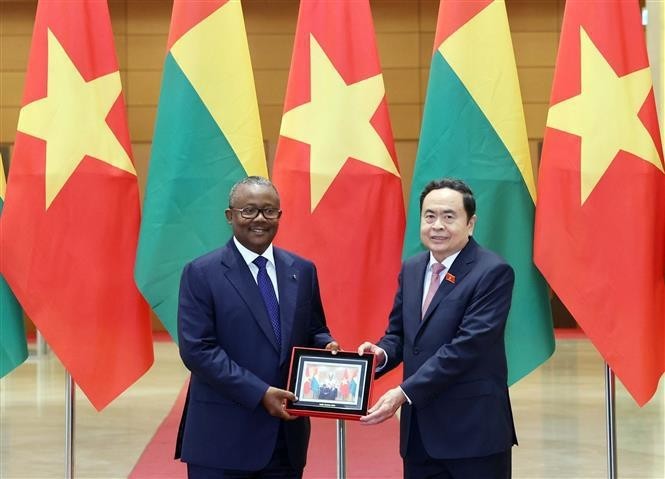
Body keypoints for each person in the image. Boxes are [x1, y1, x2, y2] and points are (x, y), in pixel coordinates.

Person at [176, 176, 339, 478]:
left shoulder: (301, 270)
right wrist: (260, 392)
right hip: (222, 438)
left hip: (285, 438)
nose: (260, 219)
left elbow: (314, 328)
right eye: (248, 211)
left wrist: (326, 347)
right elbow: (198, 350)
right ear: (230, 216)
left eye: (269, 211)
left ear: (280, 215)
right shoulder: (201, 273)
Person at [357, 178, 517, 479]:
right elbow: (400, 334)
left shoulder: (492, 272)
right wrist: (381, 354)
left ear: (470, 223)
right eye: (429, 216)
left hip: (473, 434)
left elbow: (466, 348)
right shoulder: (413, 267)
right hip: (419, 435)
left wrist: (402, 393)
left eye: (448, 216)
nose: (437, 225)